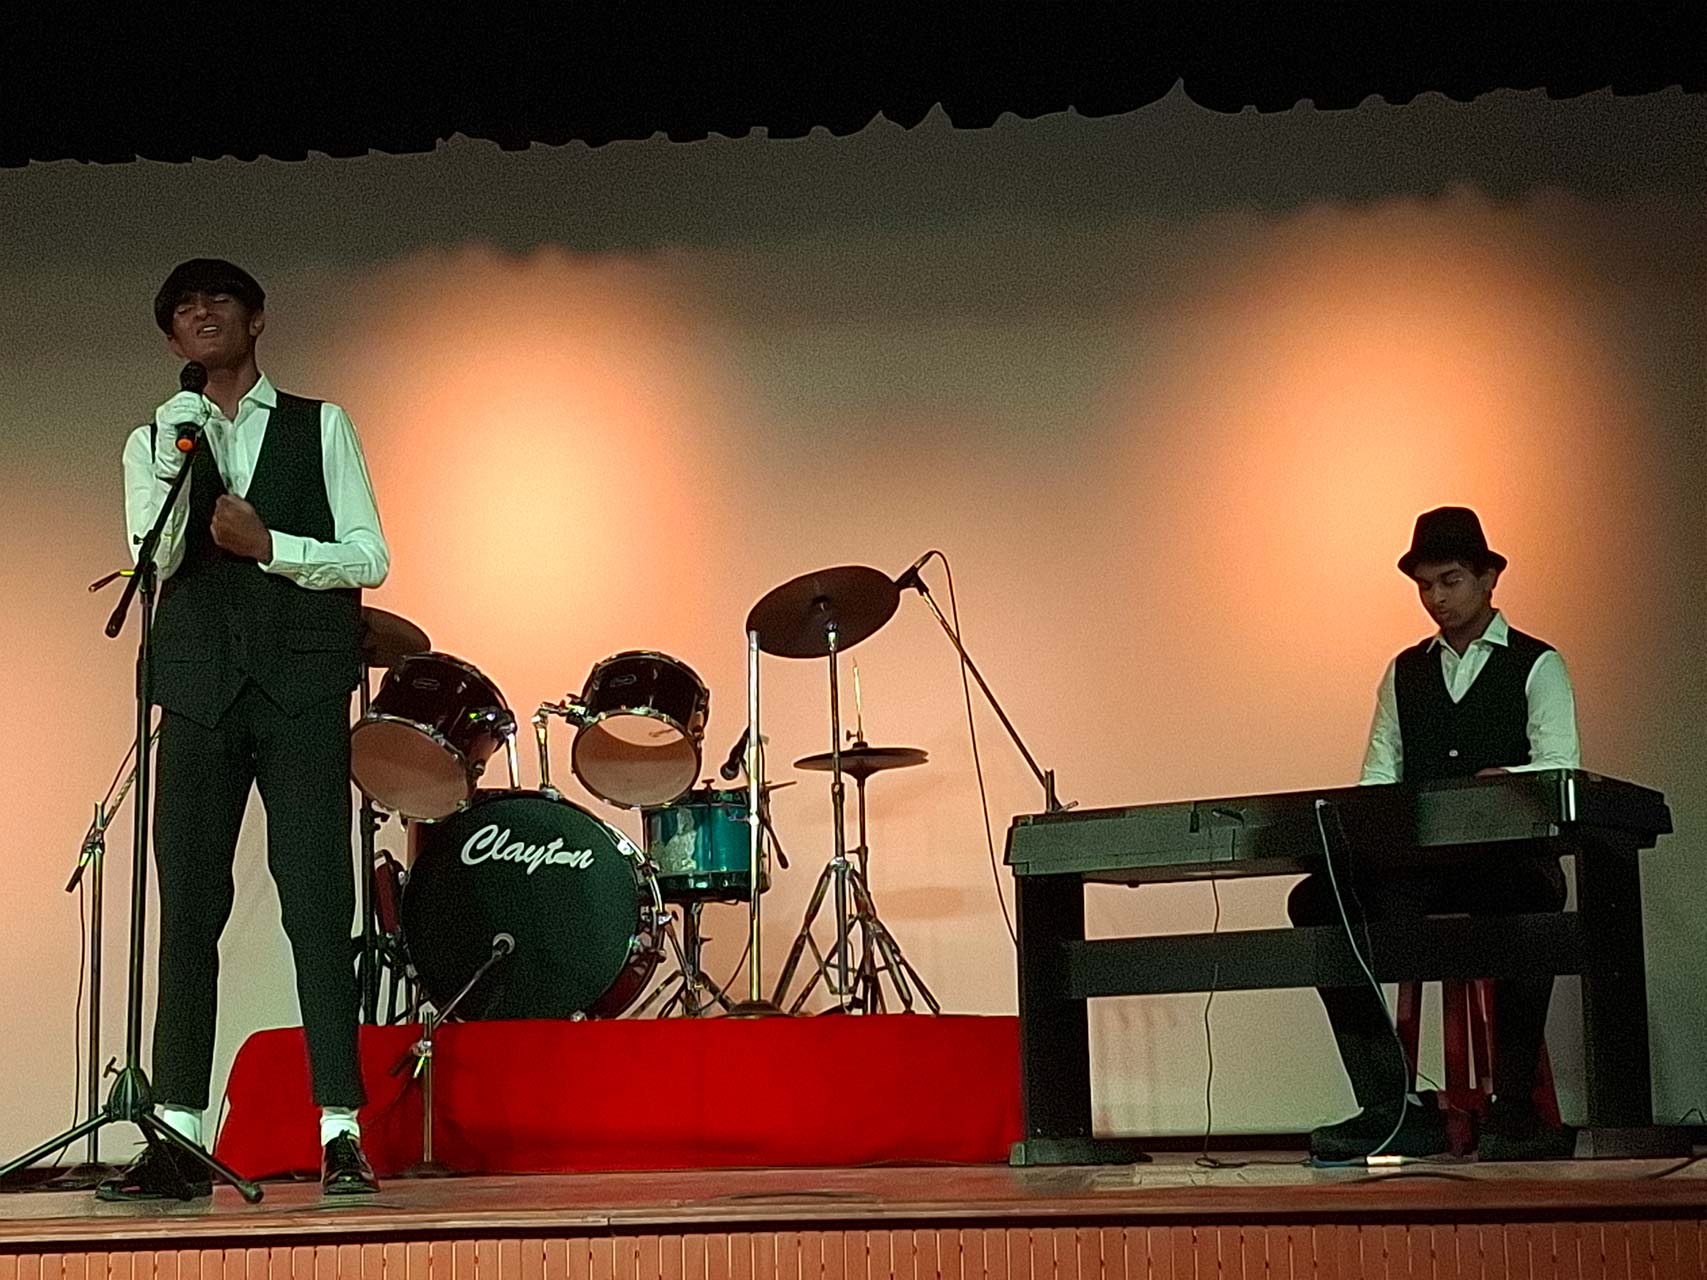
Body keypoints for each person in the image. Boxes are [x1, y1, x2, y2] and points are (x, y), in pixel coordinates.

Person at [103, 259, 387, 1199]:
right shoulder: (155, 438)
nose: (202, 314)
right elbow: (156, 560)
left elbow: (370, 557)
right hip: (196, 691)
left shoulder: (322, 424)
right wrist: (176, 459)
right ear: (171, 341)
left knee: (316, 907)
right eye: (183, 308)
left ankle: (340, 1128)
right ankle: (178, 1132)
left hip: (300, 688)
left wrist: (274, 548)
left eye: (218, 300)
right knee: (188, 912)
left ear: (256, 318)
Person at [1289, 506, 1581, 1162]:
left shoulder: (1537, 664)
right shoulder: (1404, 671)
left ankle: (1513, 1109)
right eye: (1424, 586)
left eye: (1450, 581)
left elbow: (1560, 767)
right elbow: (1377, 779)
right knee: (1318, 901)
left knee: (1527, 904)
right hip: (1422, 869)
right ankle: (1390, 1104)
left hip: (1506, 861)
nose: (1436, 598)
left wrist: (1506, 781)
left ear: (1488, 578)